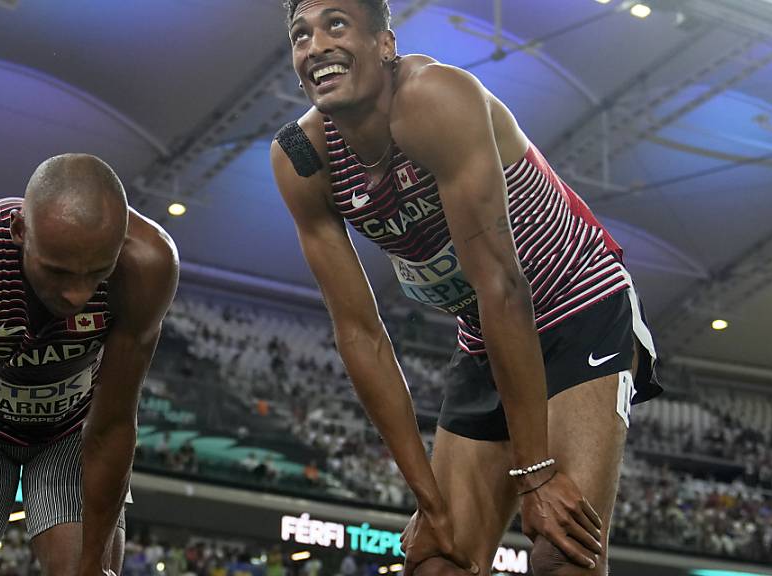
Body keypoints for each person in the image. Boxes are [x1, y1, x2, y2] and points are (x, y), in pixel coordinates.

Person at [271, 2, 661, 575]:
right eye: (300, 34)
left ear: (385, 44)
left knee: (562, 552)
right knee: (436, 560)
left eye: (336, 24)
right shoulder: (302, 158)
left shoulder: (435, 100)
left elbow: (503, 285)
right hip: (487, 335)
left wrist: (536, 475)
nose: (316, 45)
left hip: (577, 305)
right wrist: (429, 501)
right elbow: (360, 335)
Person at [0, 153, 180, 575]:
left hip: (72, 432)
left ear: (120, 245)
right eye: (58, 272)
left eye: (97, 273)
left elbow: (114, 424)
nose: (77, 296)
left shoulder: (148, 266)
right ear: (18, 232)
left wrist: (93, 566)